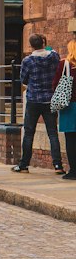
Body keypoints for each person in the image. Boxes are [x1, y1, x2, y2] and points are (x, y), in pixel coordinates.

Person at [13, 33, 64, 173]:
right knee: (52, 133)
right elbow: (51, 49)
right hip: (50, 99)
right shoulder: (53, 56)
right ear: (43, 42)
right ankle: (58, 165)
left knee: (29, 133)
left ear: (30, 46)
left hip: (33, 100)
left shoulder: (27, 61)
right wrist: (45, 43)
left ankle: (23, 165)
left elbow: (23, 80)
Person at [58, 34, 76, 180]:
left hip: (69, 106)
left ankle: (74, 171)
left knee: (70, 138)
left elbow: (56, 84)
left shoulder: (65, 65)